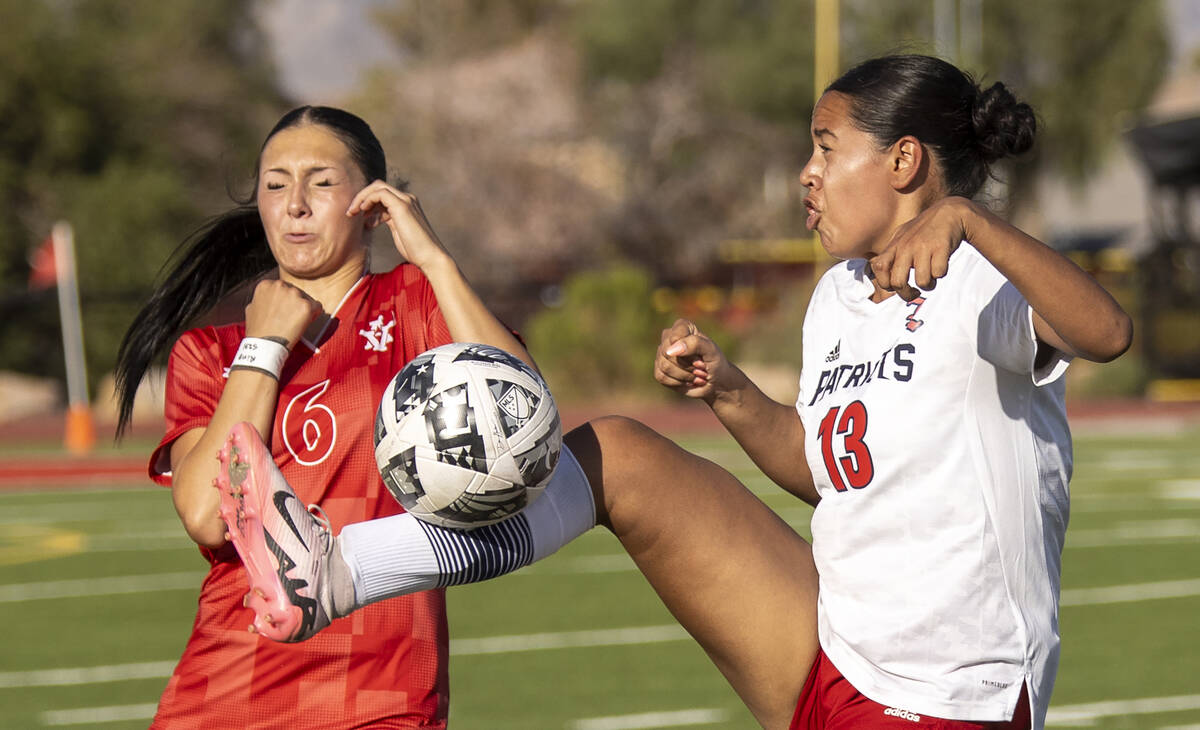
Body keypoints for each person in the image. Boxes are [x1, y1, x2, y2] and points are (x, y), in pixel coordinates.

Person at [211, 56, 1132, 730]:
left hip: (948, 691)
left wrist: (971, 221)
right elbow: (823, 472)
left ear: (902, 164)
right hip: (835, 642)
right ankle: (338, 569)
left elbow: (1106, 332)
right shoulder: (840, 297)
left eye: (825, 147)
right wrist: (729, 392)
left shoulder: (982, 275)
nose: (805, 174)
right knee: (621, 455)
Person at [113, 106, 536, 729]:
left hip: (380, 697)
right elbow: (207, 517)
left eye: (321, 182)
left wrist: (435, 260)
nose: (296, 204)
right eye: (276, 184)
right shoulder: (209, 353)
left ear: (370, 203)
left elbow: (522, 407)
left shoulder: (415, 306)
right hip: (223, 695)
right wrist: (263, 350)